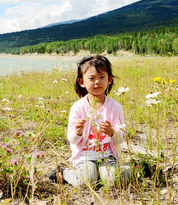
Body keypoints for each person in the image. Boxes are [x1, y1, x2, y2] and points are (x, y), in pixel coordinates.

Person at [51, 55, 131, 188]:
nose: (97, 82)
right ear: (81, 82)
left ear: (109, 79)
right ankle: (64, 173)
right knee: (87, 181)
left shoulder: (115, 107)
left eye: (102, 77)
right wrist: (77, 132)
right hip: (84, 156)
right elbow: (72, 139)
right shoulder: (78, 107)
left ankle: (134, 168)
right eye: (92, 78)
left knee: (113, 181)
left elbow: (121, 137)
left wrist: (112, 132)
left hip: (108, 156)